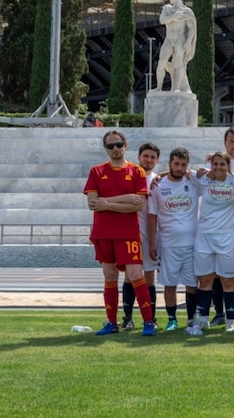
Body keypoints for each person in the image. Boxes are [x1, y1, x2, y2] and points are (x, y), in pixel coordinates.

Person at [83, 130, 156, 336]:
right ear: (106, 148)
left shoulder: (137, 172)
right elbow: (92, 204)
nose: (115, 149)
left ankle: (149, 322)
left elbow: (138, 205)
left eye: (119, 144)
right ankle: (112, 323)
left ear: (125, 145)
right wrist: (124, 198)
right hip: (103, 232)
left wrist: (107, 202)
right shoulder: (97, 171)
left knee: (135, 275)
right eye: (111, 146)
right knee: (110, 275)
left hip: (128, 232)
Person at [185, 152, 234, 335]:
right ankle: (203, 321)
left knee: (227, 279)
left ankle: (230, 321)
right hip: (204, 236)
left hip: (227, 237)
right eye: (215, 164)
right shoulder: (203, 178)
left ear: (228, 166)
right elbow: (182, 171)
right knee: (206, 279)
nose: (218, 168)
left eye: (222, 164)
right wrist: (157, 178)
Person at [147, 147, 200, 332]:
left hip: (192, 244)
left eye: (183, 165)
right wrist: (152, 242)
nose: (179, 168)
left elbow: (213, 176)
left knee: (192, 285)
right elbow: (152, 216)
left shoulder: (193, 181)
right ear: (169, 162)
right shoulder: (158, 185)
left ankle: (191, 319)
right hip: (168, 244)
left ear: (187, 166)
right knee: (170, 285)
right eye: (176, 164)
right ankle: (172, 319)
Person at [121, 142, 160, 331]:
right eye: (146, 156)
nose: (149, 160)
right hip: (130, 234)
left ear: (157, 160)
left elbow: (154, 214)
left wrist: (152, 240)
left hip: (150, 235)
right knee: (130, 277)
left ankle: (151, 318)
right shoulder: (130, 176)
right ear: (139, 157)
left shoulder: (158, 181)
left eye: (153, 157)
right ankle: (127, 318)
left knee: (149, 278)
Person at [152, 0, 197, 93]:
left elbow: (191, 29)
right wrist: (174, 17)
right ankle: (159, 88)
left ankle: (176, 88)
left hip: (180, 39)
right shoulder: (167, 9)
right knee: (161, 62)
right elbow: (162, 20)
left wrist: (189, 42)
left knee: (179, 64)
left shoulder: (186, 12)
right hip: (169, 39)